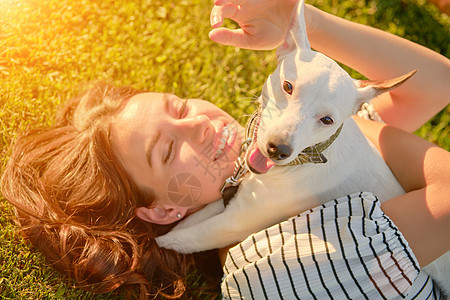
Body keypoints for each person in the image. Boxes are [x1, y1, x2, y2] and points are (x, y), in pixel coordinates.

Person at [1, 0, 448, 299]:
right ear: (162, 213)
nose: (199, 122)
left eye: (178, 107)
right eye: (168, 151)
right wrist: (331, 126)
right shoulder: (268, 269)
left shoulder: (302, 149)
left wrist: (299, 25)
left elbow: (433, 84)